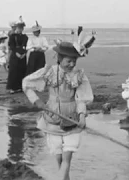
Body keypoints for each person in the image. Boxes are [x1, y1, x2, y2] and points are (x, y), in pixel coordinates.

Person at [22, 34, 95, 180]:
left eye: (74, 61)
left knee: (67, 156)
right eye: (69, 61)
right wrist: (36, 101)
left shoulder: (78, 75)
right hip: (52, 116)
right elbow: (26, 83)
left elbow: (81, 97)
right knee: (59, 157)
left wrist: (81, 116)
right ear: (60, 59)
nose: (72, 64)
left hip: (72, 116)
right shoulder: (49, 71)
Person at [6, 16, 28, 94]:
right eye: (19, 28)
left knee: (22, 71)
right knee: (14, 71)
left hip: (23, 55)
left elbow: (26, 46)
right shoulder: (12, 36)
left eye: (21, 28)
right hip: (15, 54)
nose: (20, 29)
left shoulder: (25, 37)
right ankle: (12, 88)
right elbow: (12, 46)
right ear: (16, 28)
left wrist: (24, 53)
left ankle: (20, 87)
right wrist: (17, 53)